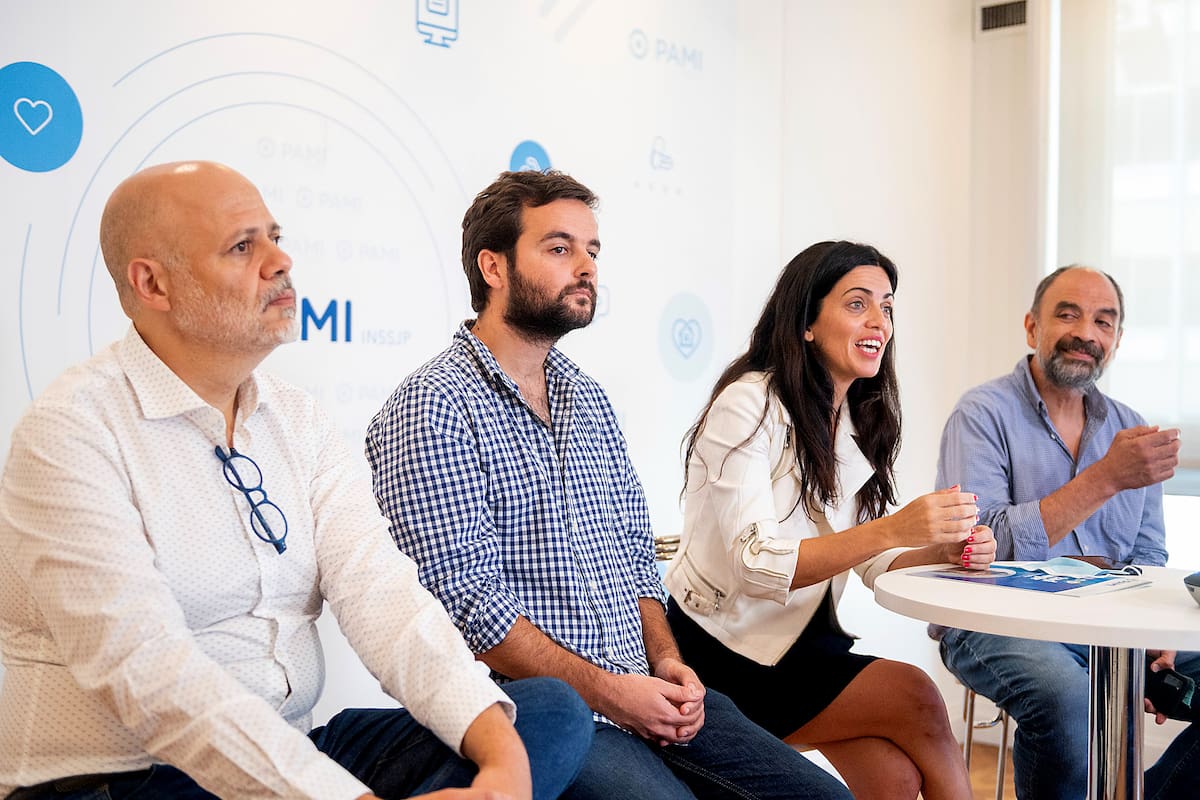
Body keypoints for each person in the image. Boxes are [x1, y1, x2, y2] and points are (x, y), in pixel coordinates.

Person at [0, 161, 593, 800]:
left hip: (297, 747)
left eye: (274, 235)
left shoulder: (297, 417)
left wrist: (503, 768)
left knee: (543, 715)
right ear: (154, 283)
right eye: (242, 246)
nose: (280, 260)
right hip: (126, 779)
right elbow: (150, 677)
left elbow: (383, 596)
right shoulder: (72, 430)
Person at [365, 170, 852, 800]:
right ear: (493, 266)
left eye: (592, 251)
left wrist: (669, 663)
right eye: (560, 248)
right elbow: (465, 607)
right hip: (534, 717)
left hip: (644, 693)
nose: (586, 267)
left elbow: (633, 557)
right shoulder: (430, 408)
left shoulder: (587, 398)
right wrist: (614, 695)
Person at [661, 240, 991, 799]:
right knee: (918, 697)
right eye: (858, 303)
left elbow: (872, 555)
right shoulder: (748, 403)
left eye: (887, 307)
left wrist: (940, 549)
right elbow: (755, 565)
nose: (879, 322)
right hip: (719, 652)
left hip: (800, 647)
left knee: (895, 778)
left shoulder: (855, 419)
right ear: (807, 322)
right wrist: (895, 527)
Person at [934, 264, 1199, 800]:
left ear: (1117, 341)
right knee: (1069, 701)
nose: (1087, 333)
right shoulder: (982, 413)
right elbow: (978, 546)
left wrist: (1157, 640)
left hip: (1109, 629)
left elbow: (1147, 555)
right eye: (1068, 314)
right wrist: (1105, 478)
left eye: (1105, 321)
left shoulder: (1130, 426)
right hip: (996, 620)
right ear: (1032, 328)